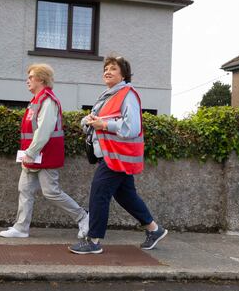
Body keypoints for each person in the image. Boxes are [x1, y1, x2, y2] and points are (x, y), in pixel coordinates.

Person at [70, 55, 167, 254]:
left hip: (116, 156)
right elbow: (95, 121)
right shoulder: (107, 96)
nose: (107, 71)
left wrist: (103, 124)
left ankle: (93, 241)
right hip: (112, 155)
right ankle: (154, 229)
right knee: (126, 196)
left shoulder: (127, 94)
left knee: (99, 193)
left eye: (113, 68)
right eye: (105, 68)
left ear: (123, 74)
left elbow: (132, 127)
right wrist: (88, 120)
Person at [0, 64, 90, 239]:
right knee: (24, 189)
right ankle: (21, 228)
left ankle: (84, 217)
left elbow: (44, 130)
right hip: (34, 154)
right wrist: (30, 153)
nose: (28, 80)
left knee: (51, 192)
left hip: (43, 155)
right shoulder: (37, 100)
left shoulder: (47, 100)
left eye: (31, 77)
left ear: (41, 79)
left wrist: (30, 153)